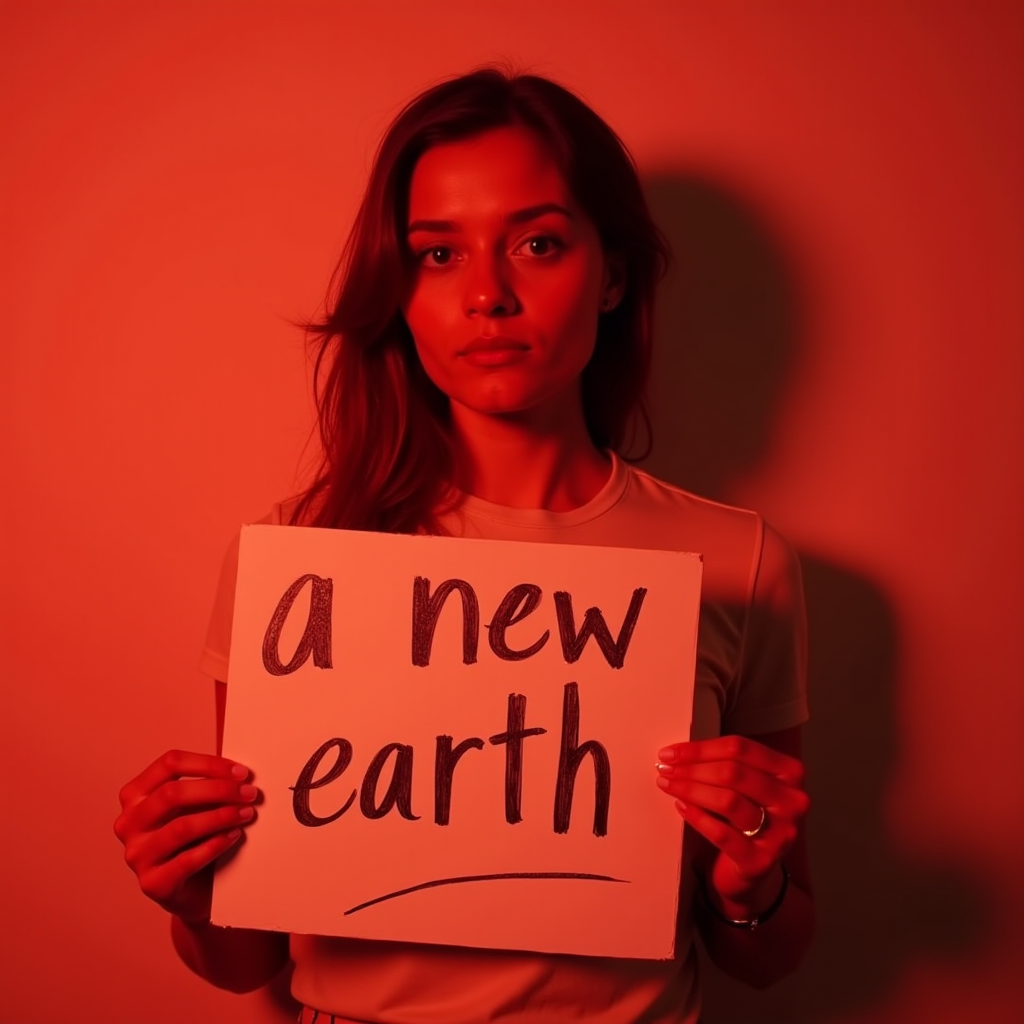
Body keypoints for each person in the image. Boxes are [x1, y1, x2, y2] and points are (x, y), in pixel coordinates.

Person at [114, 67, 814, 1023]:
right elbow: (245, 963)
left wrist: (752, 889)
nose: (487, 293)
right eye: (438, 254)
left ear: (611, 273)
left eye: (537, 243)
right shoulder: (301, 562)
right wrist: (191, 895)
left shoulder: (742, 560)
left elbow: (771, 957)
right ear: (396, 290)